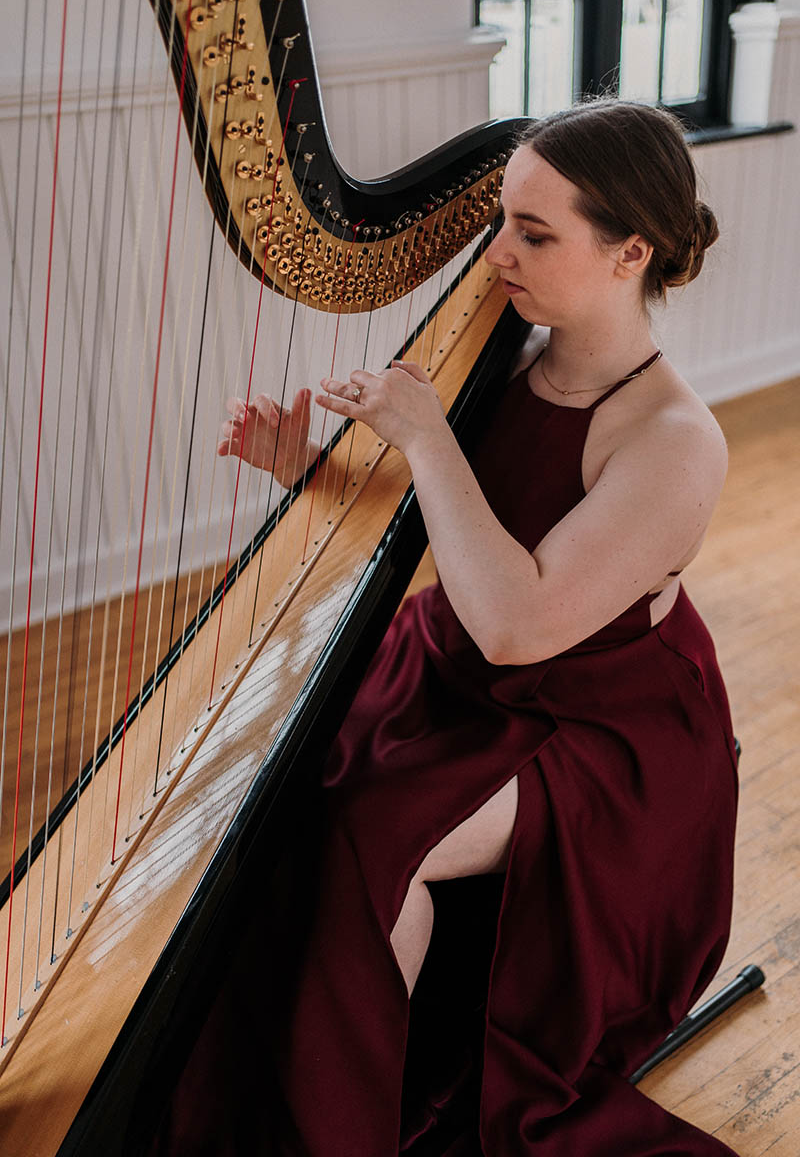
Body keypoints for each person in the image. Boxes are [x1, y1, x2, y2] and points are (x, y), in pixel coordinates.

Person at [218, 99, 739, 1155]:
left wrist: (422, 438)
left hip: (600, 732)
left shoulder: (674, 439)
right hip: (460, 670)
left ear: (628, 250)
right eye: (500, 220)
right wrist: (304, 477)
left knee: (375, 829)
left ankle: (341, 1127)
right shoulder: (502, 357)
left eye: (534, 235)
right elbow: (442, 541)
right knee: (284, 779)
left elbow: (516, 626)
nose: (497, 253)